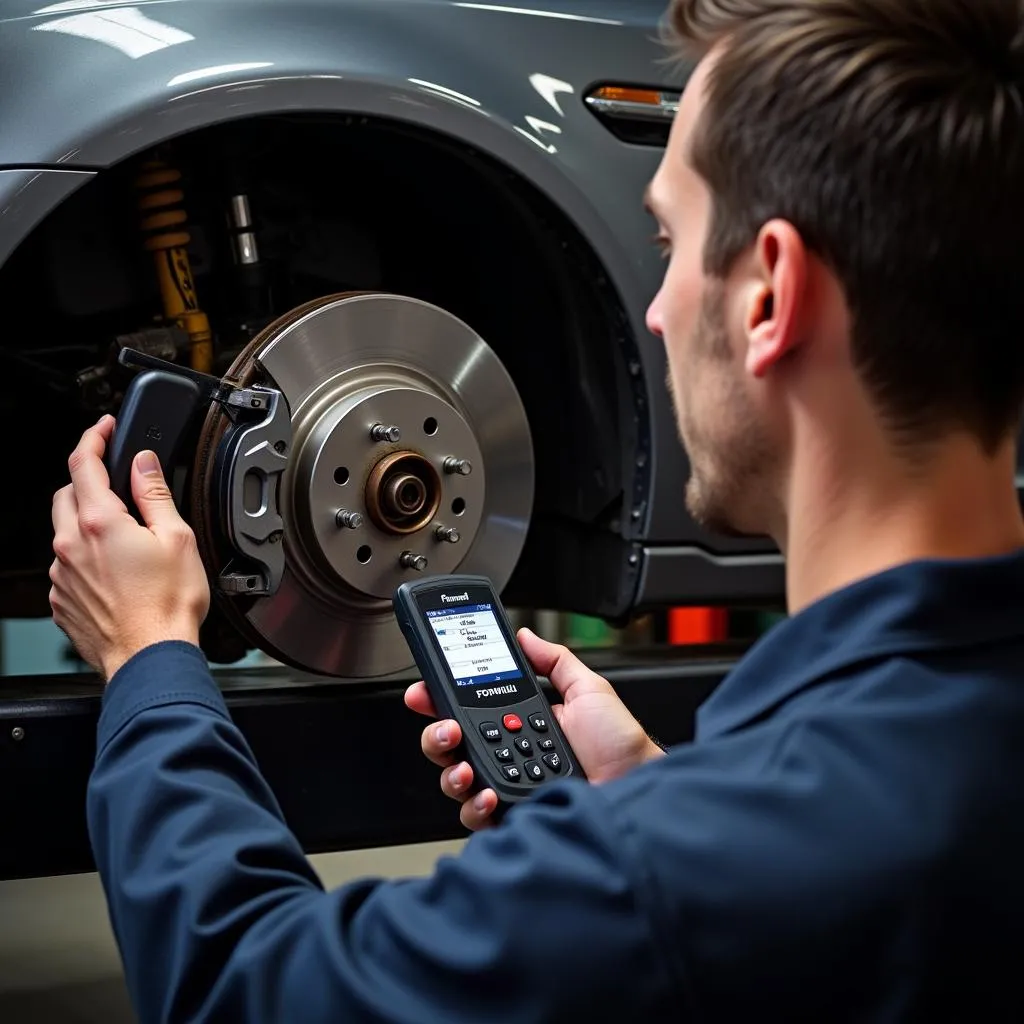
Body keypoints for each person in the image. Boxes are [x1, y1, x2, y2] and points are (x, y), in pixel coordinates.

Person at [49, 0, 1024, 1019]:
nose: (655, 309)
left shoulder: (681, 870)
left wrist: (150, 656)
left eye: (668, 239)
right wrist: (651, 782)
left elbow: (243, 990)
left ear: (768, 296)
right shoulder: (810, 821)